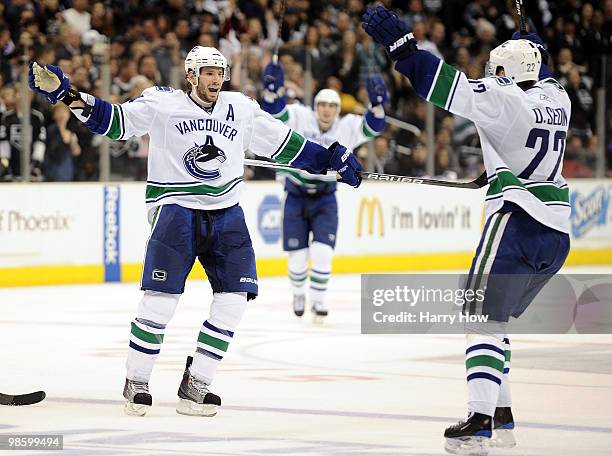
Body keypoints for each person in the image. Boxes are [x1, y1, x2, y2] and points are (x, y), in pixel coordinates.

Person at [29, 46, 362, 417]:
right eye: (207, 72)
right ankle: (136, 380)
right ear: (190, 75)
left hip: (227, 213)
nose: (215, 79)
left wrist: (331, 158)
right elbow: (115, 122)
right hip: (176, 209)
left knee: (235, 300)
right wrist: (67, 95)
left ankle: (197, 383)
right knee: (160, 301)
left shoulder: (242, 108)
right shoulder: (162, 103)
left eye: (220, 72)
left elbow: (286, 146)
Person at [362, 6, 571, 455]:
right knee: (495, 321)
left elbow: (438, 83)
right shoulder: (559, 98)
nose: (488, 74)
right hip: (556, 236)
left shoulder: (502, 96)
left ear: (505, 72)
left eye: (495, 69)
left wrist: (403, 49)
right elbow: (542, 70)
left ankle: (478, 420)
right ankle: (502, 415)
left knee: (478, 316)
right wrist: (531, 46)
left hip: (516, 220)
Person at [261, 62, 386, 318]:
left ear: (338, 110)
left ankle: (318, 300)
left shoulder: (348, 125)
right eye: (322, 105)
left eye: (332, 106)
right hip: (295, 194)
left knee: (322, 253)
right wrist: (271, 93)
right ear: (315, 107)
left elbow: (374, 127)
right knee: (297, 258)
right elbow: (275, 114)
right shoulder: (300, 116)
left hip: (325, 198)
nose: (326, 110)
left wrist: (378, 106)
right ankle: (298, 293)